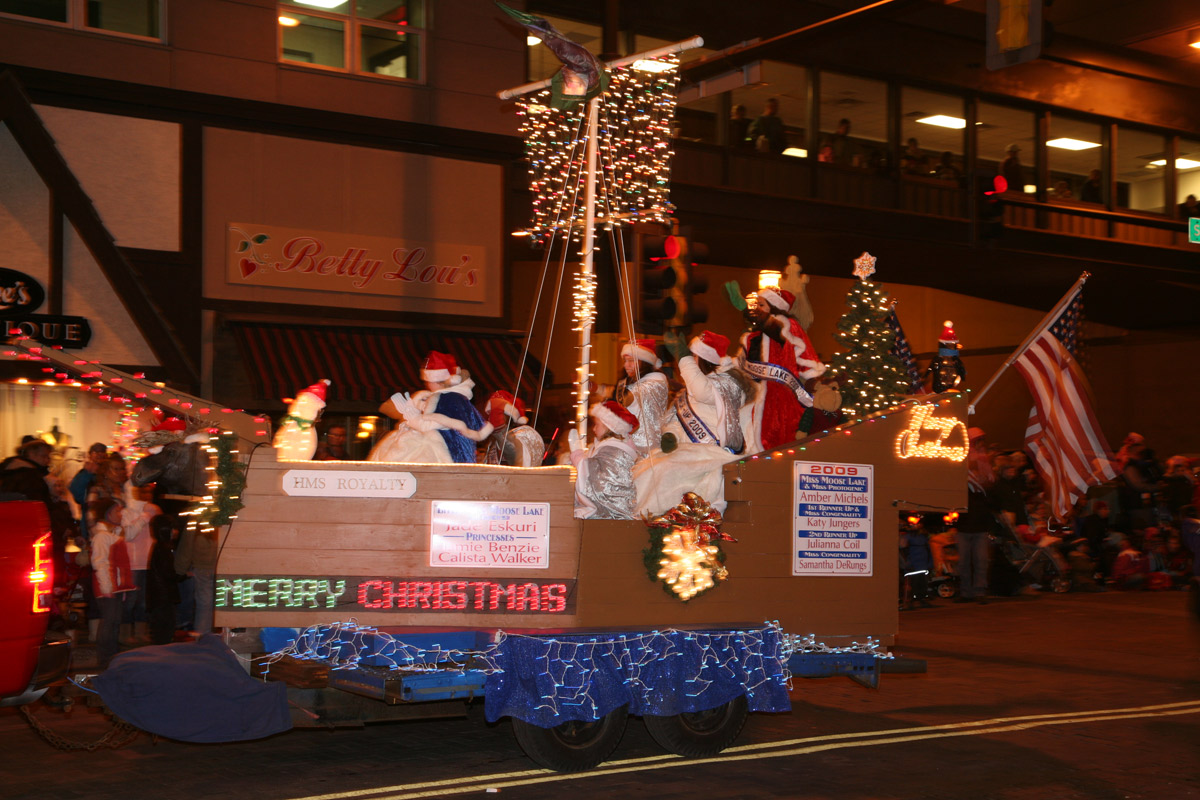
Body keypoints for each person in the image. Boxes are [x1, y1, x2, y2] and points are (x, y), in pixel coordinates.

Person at [635, 331, 754, 516]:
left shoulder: (729, 383)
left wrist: (683, 357)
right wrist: (671, 435)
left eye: (694, 356)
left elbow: (702, 392)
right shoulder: (691, 390)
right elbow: (677, 420)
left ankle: (661, 518)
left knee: (665, 471)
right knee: (648, 467)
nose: (691, 360)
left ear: (704, 359)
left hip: (714, 452)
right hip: (689, 450)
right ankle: (651, 519)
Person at [737, 286, 826, 453]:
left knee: (777, 437)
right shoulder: (756, 335)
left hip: (781, 395)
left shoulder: (787, 325)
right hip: (755, 394)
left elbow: (778, 331)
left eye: (761, 305)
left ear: (774, 305)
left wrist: (745, 309)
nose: (757, 309)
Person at [569, 401, 639, 520]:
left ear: (609, 425)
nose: (594, 428)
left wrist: (578, 458)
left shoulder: (614, 451)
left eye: (597, 424)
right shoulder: (605, 447)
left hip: (612, 514)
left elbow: (601, 485)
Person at [89, 497, 135, 667]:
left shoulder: (112, 534)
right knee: (109, 622)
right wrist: (107, 587)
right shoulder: (102, 536)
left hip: (114, 586)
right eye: (117, 510)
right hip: (108, 587)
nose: (120, 513)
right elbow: (100, 563)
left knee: (114, 621)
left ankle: (111, 656)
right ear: (108, 514)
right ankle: (105, 658)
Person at [956, 427, 996, 604]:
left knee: (980, 559)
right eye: (977, 440)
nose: (979, 444)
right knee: (965, 560)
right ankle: (967, 592)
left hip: (978, 521)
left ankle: (978, 591)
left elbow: (990, 482)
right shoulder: (963, 461)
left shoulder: (983, 462)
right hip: (965, 521)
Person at [614, 339, 670, 458]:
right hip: (631, 445)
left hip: (648, 448)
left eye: (631, 361)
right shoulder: (631, 383)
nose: (626, 365)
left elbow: (632, 396)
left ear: (645, 362)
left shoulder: (656, 381)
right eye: (625, 361)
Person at [145, 514, 180, 645]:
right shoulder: (163, 549)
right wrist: (182, 575)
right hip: (163, 596)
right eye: (172, 529)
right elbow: (168, 573)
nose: (175, 532)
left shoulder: (161, 547)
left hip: (160, 596)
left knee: (162, 629)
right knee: (164, 629)